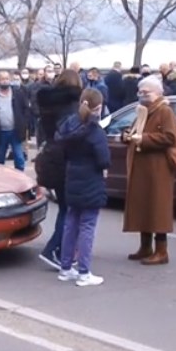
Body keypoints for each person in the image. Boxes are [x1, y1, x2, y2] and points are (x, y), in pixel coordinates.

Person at [55, 88, 111, 286]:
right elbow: (104, 159)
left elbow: (61, 149)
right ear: (99, 107)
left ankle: (65, 267)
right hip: (91, 180)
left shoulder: (69, 124)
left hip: (72, 177)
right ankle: (84, 272)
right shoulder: (95, 131)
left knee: (71, 224)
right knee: (87, 226)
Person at [122, 76, 176, 265]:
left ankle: (162, 251)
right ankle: (145, 246)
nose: (142, 95)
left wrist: (144, 139)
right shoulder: (143, 111)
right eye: (140, 91)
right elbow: (135, 132)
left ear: (158, 92)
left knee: (157, 208)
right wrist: (127, 136)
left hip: (158, 168)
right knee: (143, 206)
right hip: (142, 167)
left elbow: (171, 137)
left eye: (146, 92)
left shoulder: (165, 111)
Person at [36, 70, 84, 269]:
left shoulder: (48, 102)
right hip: (66, 158)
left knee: (65, 207)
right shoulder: (72, 106)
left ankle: (61, 249)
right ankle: (54, 249)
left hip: (51, 155)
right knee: (69, 210)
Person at [0, 71, 29, 171]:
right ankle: (1, 178)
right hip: (0, 131)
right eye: (2, 79)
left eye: (7, 79)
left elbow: (26, 108)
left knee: (19, 157)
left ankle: (20, 177)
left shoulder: (17, 93)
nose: (5, 81)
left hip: (15, 130)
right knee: (0, 158)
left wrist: (24, 122)